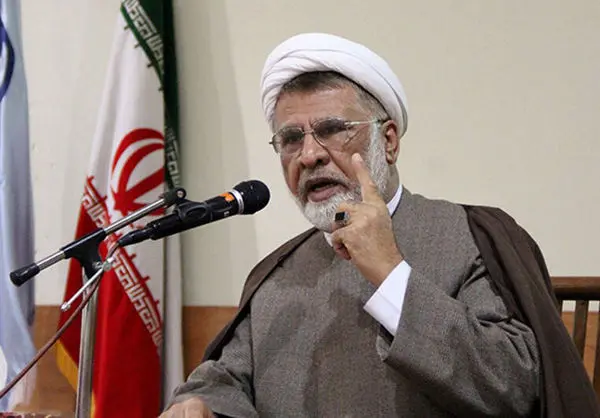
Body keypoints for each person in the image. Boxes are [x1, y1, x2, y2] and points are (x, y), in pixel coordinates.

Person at [160, 33, 598, 417]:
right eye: (291, 138)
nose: (309, 155)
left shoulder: (472, 236)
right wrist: (200, 402)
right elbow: (228, 378)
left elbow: (514, 388)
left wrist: (392, 276)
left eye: (333, 129)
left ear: (387, 141)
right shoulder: (277, 272)